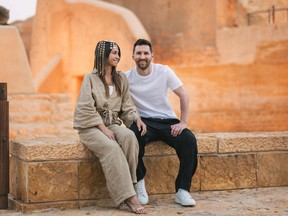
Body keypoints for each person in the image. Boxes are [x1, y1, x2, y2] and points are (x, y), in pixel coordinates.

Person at [73, 40, 147, 214]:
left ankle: (130, 187)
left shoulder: (120, 78)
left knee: (129, 137)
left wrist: (136, 119)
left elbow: (127, 106)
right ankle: (129, 198)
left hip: (112, 124)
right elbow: (85, 107)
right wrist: (103, 129)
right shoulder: (89, 78)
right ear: (103, 54)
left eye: (118, 53)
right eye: (114, 52)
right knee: (112, 148)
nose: (117, 56)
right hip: (91, 127)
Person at [126, 39, 198, 207]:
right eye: (138, 53)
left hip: (167, 121)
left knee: (189, 140)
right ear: (133, 56)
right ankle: (140, 183)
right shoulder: (126, 77)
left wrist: (183, 122)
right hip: (144, 122)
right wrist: (136, 119)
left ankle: (183, 191)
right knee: (131, 137)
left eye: (145, 53)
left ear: (152, 55)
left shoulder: (164, 71)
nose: (142, 56)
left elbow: (183, 95)